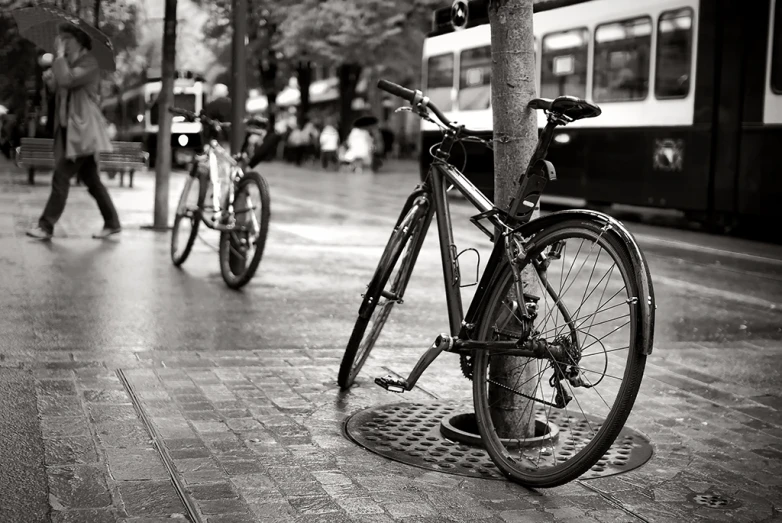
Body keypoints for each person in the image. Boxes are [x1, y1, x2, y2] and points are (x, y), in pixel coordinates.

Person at [26, 24, 120, 241]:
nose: (62, 43)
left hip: (83, 132)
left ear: (79, 41)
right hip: (72, 132)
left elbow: (68, 80)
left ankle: (46, 226)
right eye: (62, 38)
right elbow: (61, 88)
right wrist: (50, 81)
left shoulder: (90, 63)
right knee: (92, 181)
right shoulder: (69, 64)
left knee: (61, 176)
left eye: (67, 39)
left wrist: (58, 60)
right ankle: (112, 223)